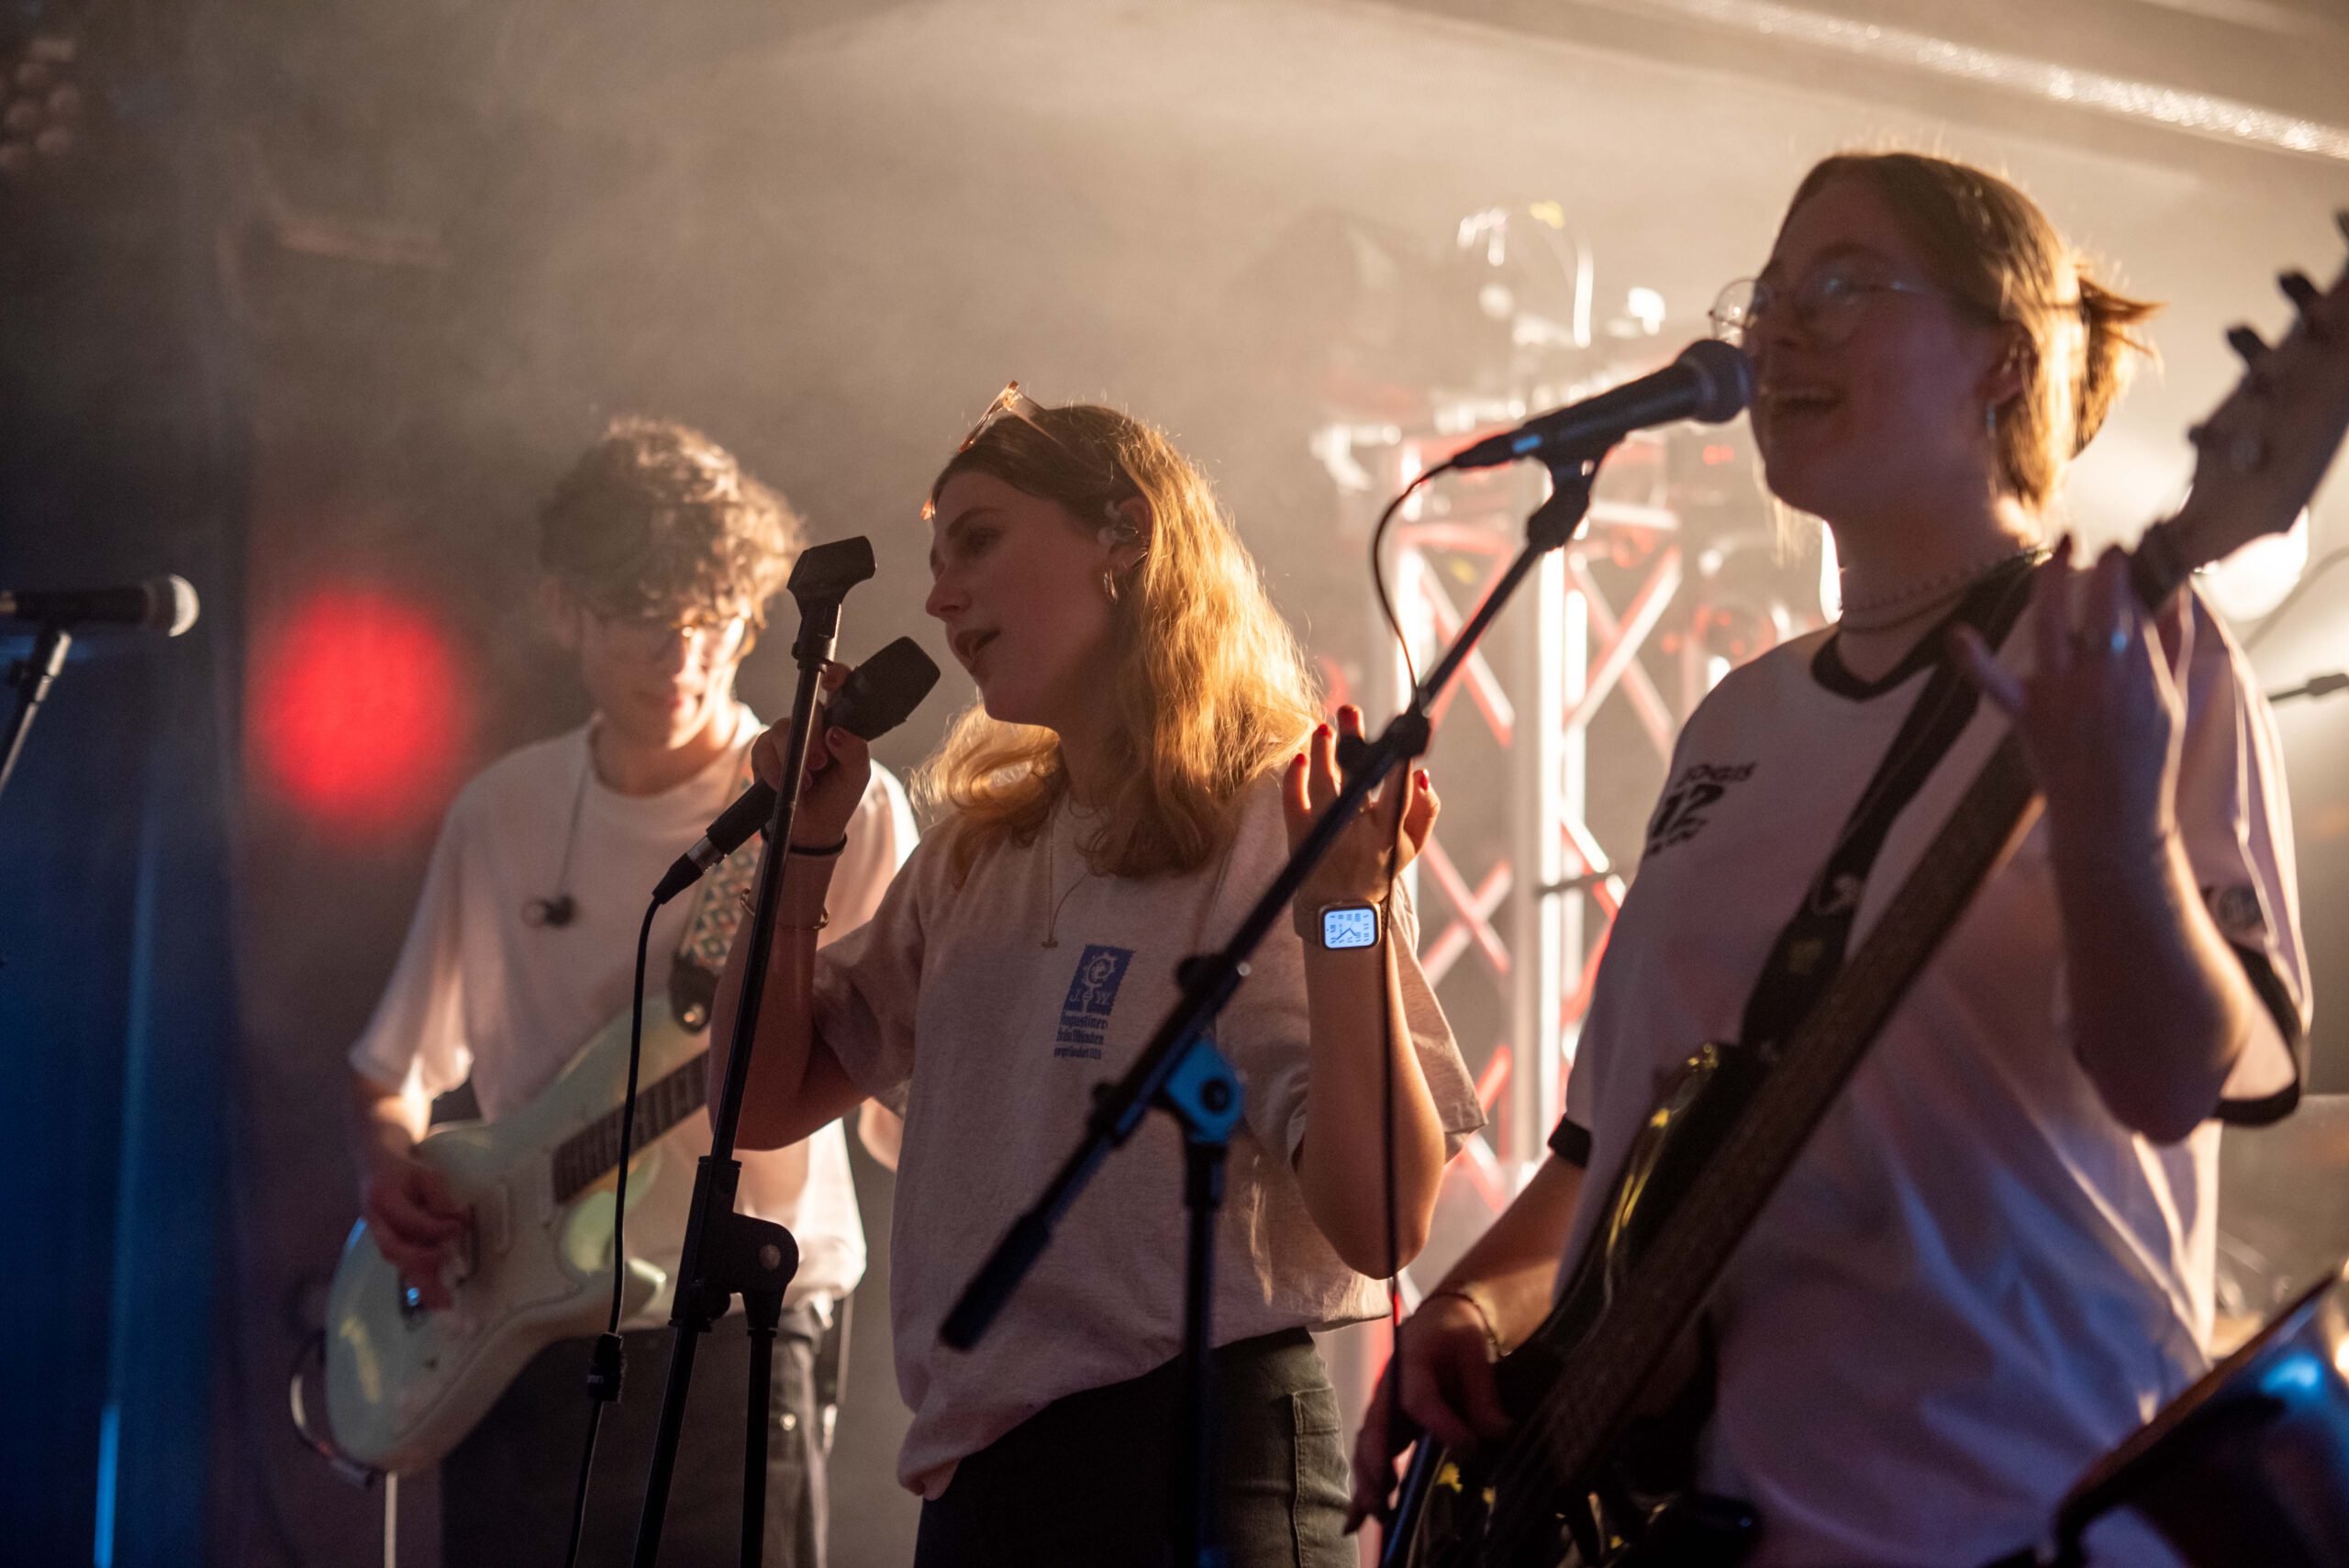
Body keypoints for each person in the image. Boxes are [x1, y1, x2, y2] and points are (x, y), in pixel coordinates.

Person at [1353, 151, 2346, 1564]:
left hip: (2012, 1508)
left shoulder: (2145, 654)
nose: (1777, 330)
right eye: (1767, 297)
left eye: (1842, 287)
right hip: (1722, 1520)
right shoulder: (1733, 722)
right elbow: (1617, 1142)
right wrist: (1477, 1300)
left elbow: (2186, 1077)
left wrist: (2113, 822)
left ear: (2008, 360)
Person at [707, 384, 1486, 1565]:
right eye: (933, 559)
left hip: (1198, 1461)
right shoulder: (979, 849)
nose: (938, 594)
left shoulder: (1273, 815)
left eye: (978, 538)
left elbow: (1380, 1218)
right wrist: (800, 852)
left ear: (1124, 535)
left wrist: (1350, 919)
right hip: (978, 1486)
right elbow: (758, 1106)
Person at [345, 417, 914, 1568]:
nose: (683, 653)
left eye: (712, 617)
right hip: (515, 1336)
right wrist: (392, 1166)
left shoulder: (835, 803)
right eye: (644, 616)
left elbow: (910, 1095)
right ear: (566, 610)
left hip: (741, 1321)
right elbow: (391, 1073)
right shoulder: (501, 811)